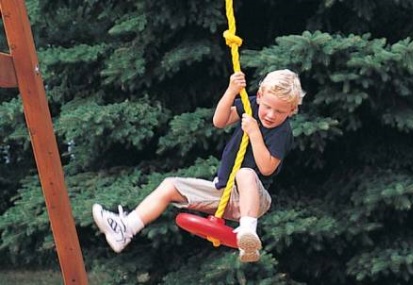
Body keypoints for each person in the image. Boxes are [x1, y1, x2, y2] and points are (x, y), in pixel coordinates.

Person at [92, 69, 306, 262]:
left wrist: (254, 133)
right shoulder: (251, 105)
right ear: (259, 96)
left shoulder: (282, 132)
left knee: (245, 173)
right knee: (169, 186)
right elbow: (219, 121)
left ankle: (248, 232)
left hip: (255, 200)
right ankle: (126, 228)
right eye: (268, 107)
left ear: (292, 110)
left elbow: (267, 167)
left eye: (279, 111)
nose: (270, 114)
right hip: (225, 191)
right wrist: (231, 91)